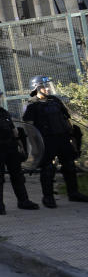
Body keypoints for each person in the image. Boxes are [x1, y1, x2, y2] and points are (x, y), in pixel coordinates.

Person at [23, 76, 88, 207]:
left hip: (63, 138)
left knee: (69, 165)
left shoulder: (55, 101)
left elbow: (66, 118)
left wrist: (72, 137)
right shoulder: (32, 105)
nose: (47, 88)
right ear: (36, 88)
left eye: (48, 86)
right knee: (48, 168)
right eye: (44, 86)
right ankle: (48, 198)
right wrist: (36, 147)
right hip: (46, 141)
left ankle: (73, 193)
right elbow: (29, 128)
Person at [0, 87, 39, 213]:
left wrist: (20, 146)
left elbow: (13, 130)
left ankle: (23, 201)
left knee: (17, 175)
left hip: (10, 147)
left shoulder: (3, 112)